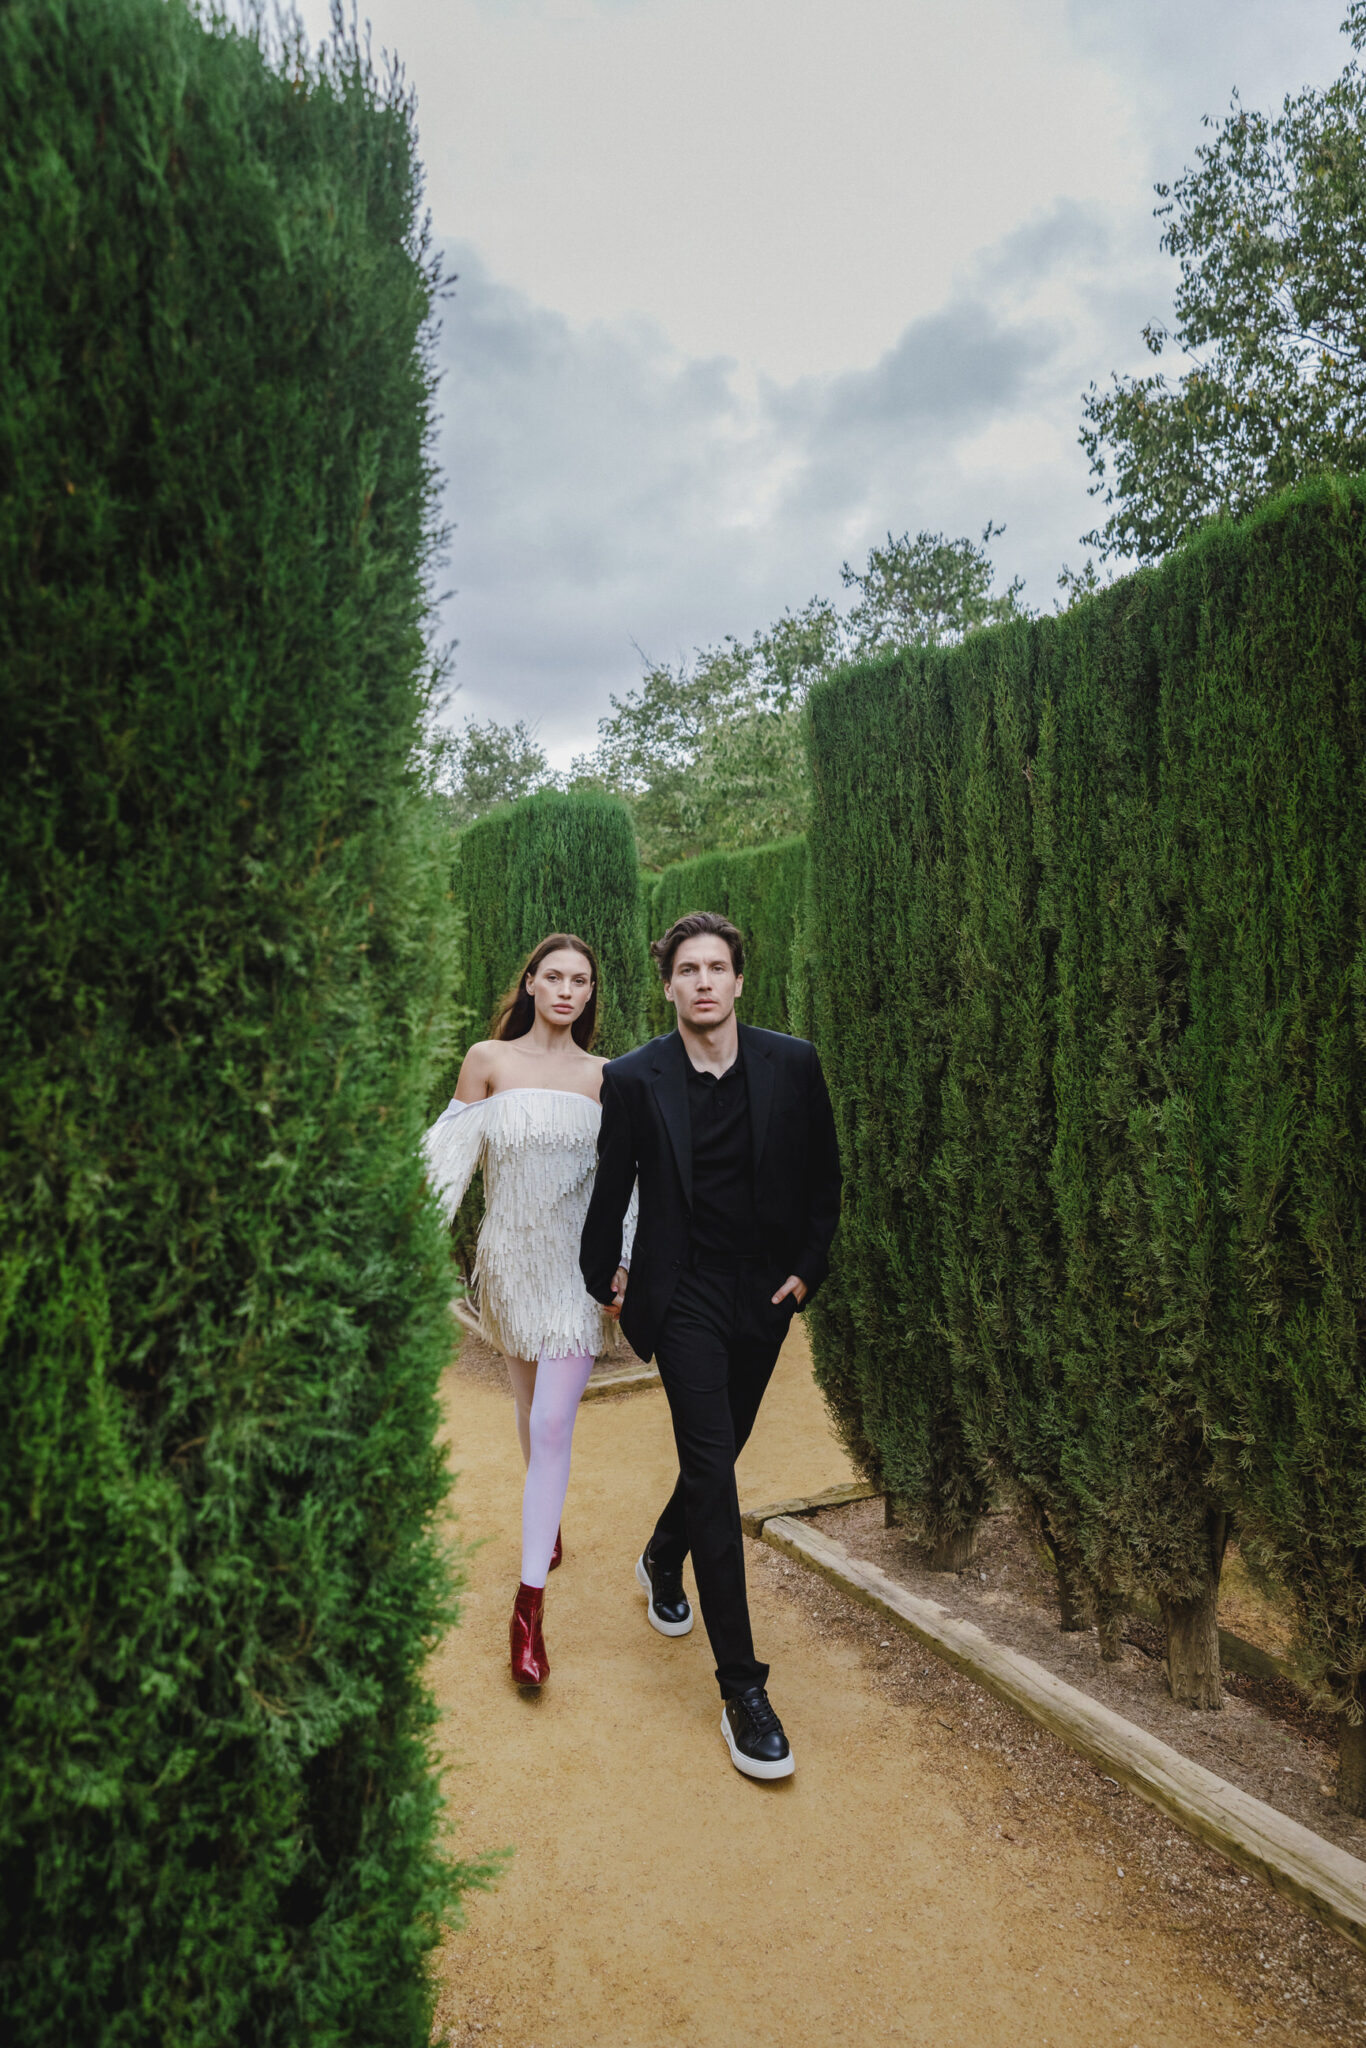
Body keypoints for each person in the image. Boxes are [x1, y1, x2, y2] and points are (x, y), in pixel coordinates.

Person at [580, 911, 841, 1779]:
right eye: (687, 969)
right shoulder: (633, 1077)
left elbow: (825, 1179)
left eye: (715, 967)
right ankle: (744, 1693)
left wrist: (807, 1271)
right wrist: (604, 1277)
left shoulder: (793, 1063)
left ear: (737, 980)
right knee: (716, 1476)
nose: (702, 981)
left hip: (763, 1295)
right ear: (669, 986)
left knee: (716, 1456)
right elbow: (612, 1184)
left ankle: (663, 1553)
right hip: (682, 1294)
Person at [425, 934, 632, 1688]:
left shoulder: (607, 1076)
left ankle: (527, 1613)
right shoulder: (488, 1060)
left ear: (590, 993)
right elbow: (444, 1157)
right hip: (509, 1269)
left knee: (550, 1424)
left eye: (581, 980)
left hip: (576, 1274)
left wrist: (624, 1260)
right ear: (532, 983)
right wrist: (409, 1243)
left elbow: (627, 1179)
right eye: (555, 977)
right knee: (526, 1407)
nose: (567, 990)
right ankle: (549, 1524)